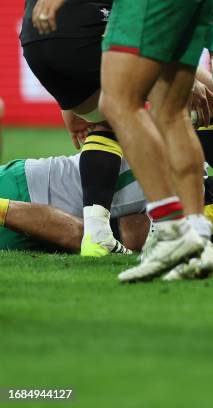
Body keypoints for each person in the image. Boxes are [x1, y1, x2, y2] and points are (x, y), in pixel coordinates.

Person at [0, 152, 213, 265]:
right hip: (23, 190)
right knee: (89, 239)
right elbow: (130, 239)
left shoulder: (178, 160)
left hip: (31, 193)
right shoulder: (160, 163)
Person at [22, 0, 130, 256]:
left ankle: (97, 235)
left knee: (108, 121)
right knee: (170, 107)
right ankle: (169, 230)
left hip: (34, 39)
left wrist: (67, 103)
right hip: (85, 28)